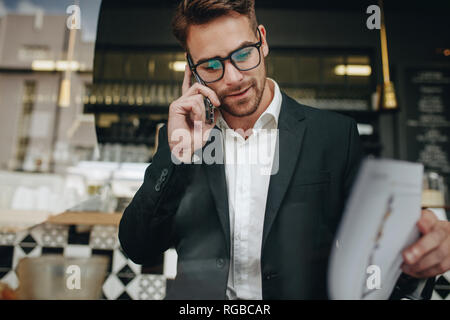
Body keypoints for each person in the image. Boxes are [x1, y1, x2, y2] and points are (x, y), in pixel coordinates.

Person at [119, 0, 450, 299]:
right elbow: (139, 248)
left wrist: (415, 250)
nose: (233, 78)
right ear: (191, 69)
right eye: (211, 66)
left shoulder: (334, 135)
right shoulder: (183, 140)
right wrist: (179, 154)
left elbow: (374, 252)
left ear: (262, 41)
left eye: (243, 54)